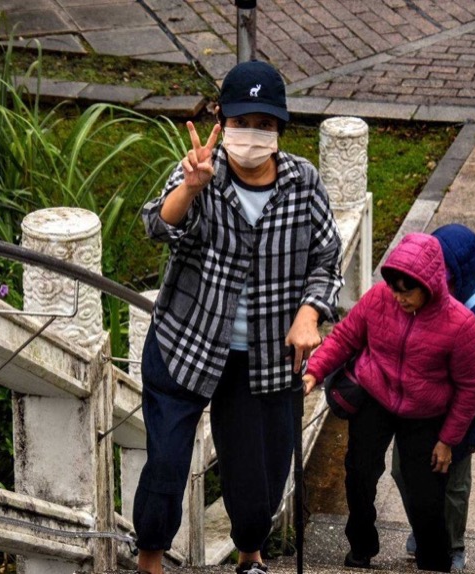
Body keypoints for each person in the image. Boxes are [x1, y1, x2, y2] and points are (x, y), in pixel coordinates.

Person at [133, 60, 344, 574]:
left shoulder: (303, 183)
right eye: (242, 122)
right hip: (186, 342)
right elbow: (155, 227)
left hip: (264, 357)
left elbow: (326, 259)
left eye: (264, 124)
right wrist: (191, 187)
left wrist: (310, 313)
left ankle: (251, 557)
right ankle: (149, 561)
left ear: (279, 129)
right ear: (222, 121)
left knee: (257, 480)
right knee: (166, 464)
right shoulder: (202, 170)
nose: (252, 133)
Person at [302, 232, 475, 572]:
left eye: (407, 291)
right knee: (358, 476)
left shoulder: (462, 326)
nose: (399, 298)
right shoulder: (378, 298)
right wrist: (314, 371)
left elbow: (469, 387)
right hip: (375, 396)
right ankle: (361, 547)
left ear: (430, 285)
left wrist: (448, 439)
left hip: (425, 413)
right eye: (395, 289)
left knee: (425, 494)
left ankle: (434, 562)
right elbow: (345, 336)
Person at [391, 223, 475, 572]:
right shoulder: (419, 303)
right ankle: (425, 529)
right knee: (403, 472)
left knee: (453, 487)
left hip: (460, 422)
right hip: (418, 413)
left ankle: (453, 545)